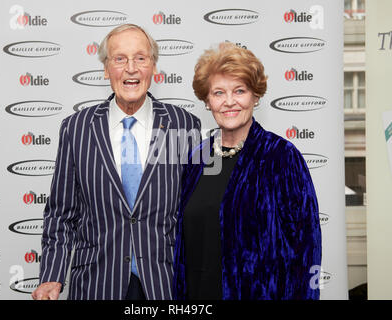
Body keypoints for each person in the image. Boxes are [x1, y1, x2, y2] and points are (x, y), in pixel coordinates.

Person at [32, 24, 201, 300]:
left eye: (140, 58)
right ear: (106, 69)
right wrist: (52, 275)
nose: (131, 68)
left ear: (153, 67)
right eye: (119, 59)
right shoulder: (76, 128)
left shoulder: (183, 125)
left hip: (165, 283)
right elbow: (61, 213)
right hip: (98, 283)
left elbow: (197, 211)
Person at [173, 43, 322, 300]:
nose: (229, 101)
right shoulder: (197, 158)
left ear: (255, 95)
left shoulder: (281, 157)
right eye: (218, 93)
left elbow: (307, 246)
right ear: (207, 101)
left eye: (239, 90)